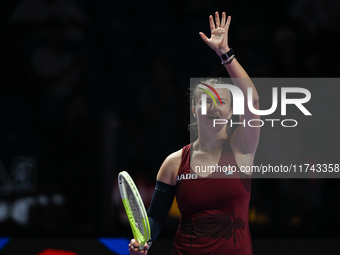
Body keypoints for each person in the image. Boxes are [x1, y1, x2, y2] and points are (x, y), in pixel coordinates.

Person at [128, 11, 260, 255]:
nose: (212, 106)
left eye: (220, 101)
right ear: (193, 110)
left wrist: (226, 55)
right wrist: (143, 242)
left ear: (232, 112)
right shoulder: (174, 163)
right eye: (205, 101)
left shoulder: (242, 147)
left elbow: (253, 101)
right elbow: (155, 219)